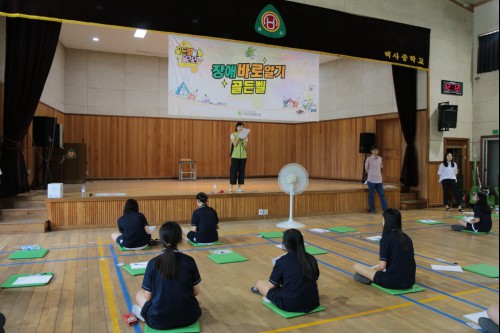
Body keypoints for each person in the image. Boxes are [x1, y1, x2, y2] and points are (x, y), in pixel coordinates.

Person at [132, 221, 202, 330]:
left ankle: (141, 312)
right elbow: (196, 292)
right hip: (189, 317)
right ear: (180, 239)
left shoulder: (152, 263)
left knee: (139, 294)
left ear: (161, 240)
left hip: (158, 321)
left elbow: (148, 297)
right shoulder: (189, 261)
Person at [251, 229, 320, 313]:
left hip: (290, 304)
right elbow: (315, 278)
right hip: (313, 302)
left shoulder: (282, 261)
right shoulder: (311, 258)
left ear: (285, 244)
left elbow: (271, 286)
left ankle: (271, 299)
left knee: (260, 283)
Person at [353, 208, 416, 289]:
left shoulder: (385, 239)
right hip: (410, 281)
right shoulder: (407, 237)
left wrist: (372, 270)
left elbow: (382, 266)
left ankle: (371, 278)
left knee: (356, 266)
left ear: (386, 221)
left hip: (392, 281)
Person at [365, 145, 388, 214]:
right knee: (371, 195)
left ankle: (385, 210)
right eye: (374, 150)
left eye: (377, 150)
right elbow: (366, 168)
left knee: (382, 195)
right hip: (371, 180)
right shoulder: (368, 159)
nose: (376, 151)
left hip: (379, 181)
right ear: (371, 151)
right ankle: (372, 209)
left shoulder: (380, 158)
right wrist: (371, 174)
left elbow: (381, 167)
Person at [229, 121, 248, 193]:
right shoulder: (233, 135)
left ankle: (239, 187)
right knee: (233, 171)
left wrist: (243, 138)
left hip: (243, 157)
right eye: (239, 126)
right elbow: (235, 144)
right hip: (235, 156)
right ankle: (231, 186)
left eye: (242, 127)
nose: (241, 128)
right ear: (236, 128)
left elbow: (246, 147)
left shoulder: (245, 136)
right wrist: (239, 136)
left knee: (241, 172)